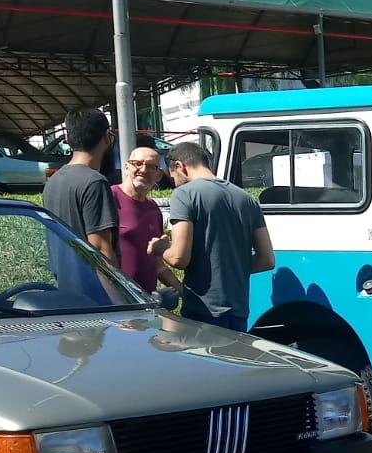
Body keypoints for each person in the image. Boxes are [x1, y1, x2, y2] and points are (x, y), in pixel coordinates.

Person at [156, 140, 274, 332]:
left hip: (203, 308)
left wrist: (161, 249)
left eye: (173, 176)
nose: (174, 182)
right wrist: (230, 269)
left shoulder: (184, 195)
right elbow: (267, 260)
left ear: (179, 166)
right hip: (238, 309)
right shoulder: (247, 199)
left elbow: (179, 258)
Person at [43, 108, 118, 264]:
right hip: (91, 285)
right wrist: (118, 288)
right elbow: (100, 248)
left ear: (67, 139)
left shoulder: (53, 181)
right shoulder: (95, 182)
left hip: (65, 280)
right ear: (106, 137)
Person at [111, 147, 181, 293]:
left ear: (159, 175)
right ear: (126, 168)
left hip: (147, 304)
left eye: (151, 166)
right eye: (137, 163)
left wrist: (182, 291)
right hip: (118, 300)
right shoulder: (110, 198)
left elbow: (157, 264)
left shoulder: (153, 208)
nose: (143, 170)